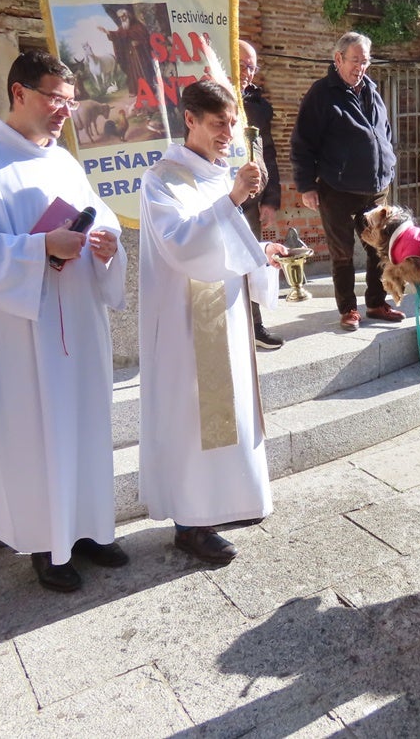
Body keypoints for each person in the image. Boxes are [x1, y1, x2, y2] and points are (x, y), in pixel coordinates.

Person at [0, 50, 128, 593]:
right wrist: (40, 247)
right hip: (23, 330)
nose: (64, 111)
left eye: (70, 102)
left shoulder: (65, 161)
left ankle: (90, 528)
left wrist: (105, 242)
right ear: (19, 93)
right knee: (36, 433)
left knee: (86, 423)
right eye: (54, 99)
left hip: (78, 317)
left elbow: (98, 213)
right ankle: (48, 545)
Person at [137, 79, 287, 563]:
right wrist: (233, 199)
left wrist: (262, 254)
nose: (228, 132)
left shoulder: (220, 174)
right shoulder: (163, 178)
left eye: (232, 123)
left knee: (230, 413)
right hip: (187, 317)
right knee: (195, 418)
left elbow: (227, 241)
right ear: (191, 120)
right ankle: (191, 523)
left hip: (224, 308)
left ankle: (228, 498)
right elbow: (180, 242)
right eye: (218, 122)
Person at [290, 32, 403, 331]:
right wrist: (306, 186)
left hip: (376, 188)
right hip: (337, 188)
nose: (361, 67)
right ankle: (349, 309)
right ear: (338, 58)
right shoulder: (321, 95)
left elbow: (385, 133)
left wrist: (387, 163)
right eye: (355, 61)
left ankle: (377, 303)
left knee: (378, 248)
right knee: (341, 252)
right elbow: (302, 143)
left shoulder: (373, 91)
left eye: (365, 61)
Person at [237, 40, 285, 350]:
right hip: (218, 196)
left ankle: (254, 326)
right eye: (241, 64)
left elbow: (268, 151)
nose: (246, 72)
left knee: (252, 258)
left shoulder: (256, 104)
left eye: (251, 66)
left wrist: (271, 197)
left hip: (251, 201)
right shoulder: (208, 99)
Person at [99, 6, 157, 103]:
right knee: (133, 74)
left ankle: (149, 91)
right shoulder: (122, 29)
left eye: (124, 17)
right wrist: (108, 32)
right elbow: (119, 36)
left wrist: (138, 42)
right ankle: (137, 92)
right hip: (130, 56)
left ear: (128, 16)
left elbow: (144, 37)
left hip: (141, 55)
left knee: (143, 72)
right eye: (120, 18)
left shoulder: (137, 26)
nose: (122, 19)